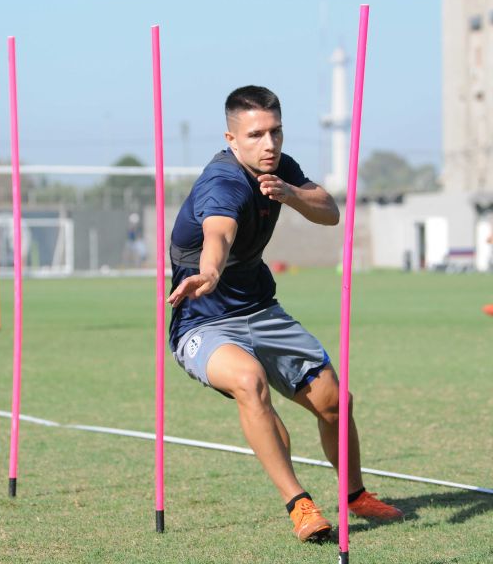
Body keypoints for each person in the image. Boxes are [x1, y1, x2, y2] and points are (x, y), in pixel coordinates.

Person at [167, 85, 403, 542]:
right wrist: (210, 273)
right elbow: (218, 233)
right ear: (232, 139)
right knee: (249, 381)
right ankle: (300, 505)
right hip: (202, 320)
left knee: (336, 401)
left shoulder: (281, 167)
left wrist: (290, 193)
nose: (269, 144)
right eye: (255, 135)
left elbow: (330, 211)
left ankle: (354, 495)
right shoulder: (223, 182)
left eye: (275, 131)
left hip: (261, 308)